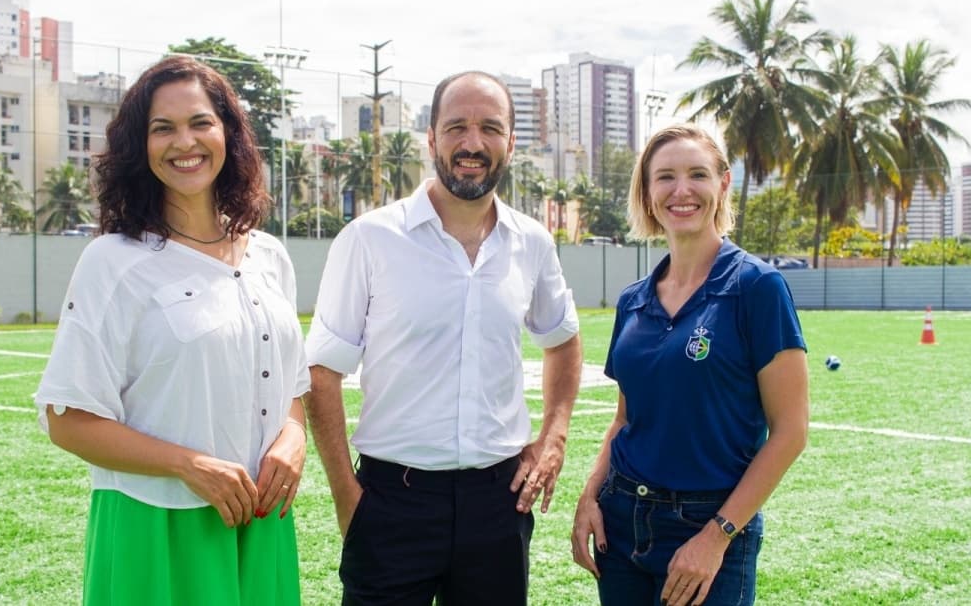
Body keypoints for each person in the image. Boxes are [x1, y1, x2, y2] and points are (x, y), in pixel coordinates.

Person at [34, 55, 309, 605]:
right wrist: (188, 466)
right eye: (164, 129)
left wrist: (294, 438)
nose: (185, 142)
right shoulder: (113, 261)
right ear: (141, 147)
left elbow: (292, 390)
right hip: (155, 526)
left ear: (228, 133)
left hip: (260, 520)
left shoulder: (270, 255)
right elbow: (68, 421)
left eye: (200, 122)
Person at [304, 70, 583, 606]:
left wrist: (554, 436)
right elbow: (322, 372)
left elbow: (563, 340)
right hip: (392, 502)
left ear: (511, 143)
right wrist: (348, 498)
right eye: (457, 127)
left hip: (499, 504)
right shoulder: (369, 239)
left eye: (489, 128)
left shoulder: (532, 243)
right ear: (431, 138)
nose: (472, 144)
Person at [570, 124, 809, 606]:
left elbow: (790, 432)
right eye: (665, 178)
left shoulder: (757, 288)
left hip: (708, 524)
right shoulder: (633, 301)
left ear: (723, 183)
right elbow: (624, 418)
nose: (681, 191)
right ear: (648, 191)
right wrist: (590, 496)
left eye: (697, 175)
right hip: (621, 523)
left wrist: (716, 535)